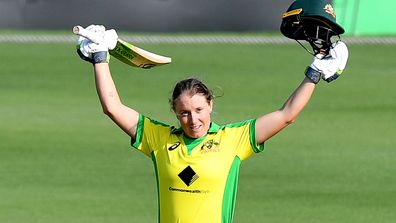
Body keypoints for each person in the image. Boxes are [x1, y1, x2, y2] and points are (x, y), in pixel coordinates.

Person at [75, 21, 348, 223]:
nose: (193, 119)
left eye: (198, 110)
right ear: (174, 112)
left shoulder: (234, 140)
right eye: (184, 113)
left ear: (210, 105)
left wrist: (313, 74)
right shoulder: (158, 139)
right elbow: (112, 107)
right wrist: (100, 58)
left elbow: (287, 114)